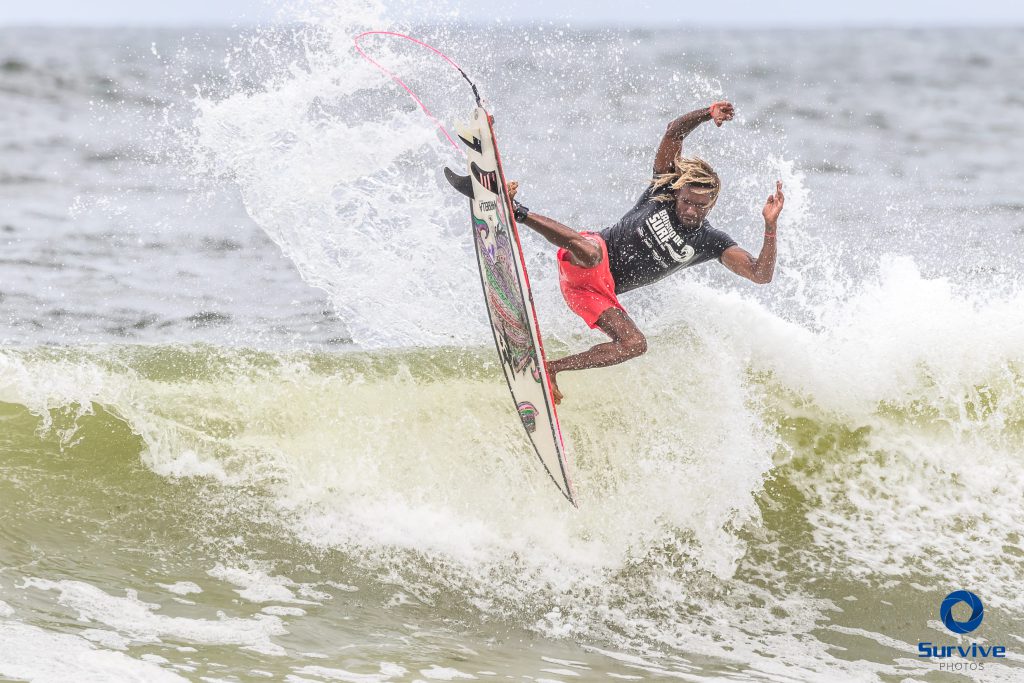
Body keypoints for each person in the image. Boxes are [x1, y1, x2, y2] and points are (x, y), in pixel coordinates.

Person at [508, 101, 784, 403]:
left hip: (596, 293)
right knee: (593, 253)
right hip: (584, 256)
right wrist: (707, 114)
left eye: (700, 205)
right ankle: (518, 212)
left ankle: (549, 369)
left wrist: (770, 227)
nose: (691, 210)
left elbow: (760, 274)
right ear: (678, 193)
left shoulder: (710, 241)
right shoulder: (662, 192)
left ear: (712, 205)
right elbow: (674, 134)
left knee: (635, 344)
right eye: (686, 201)